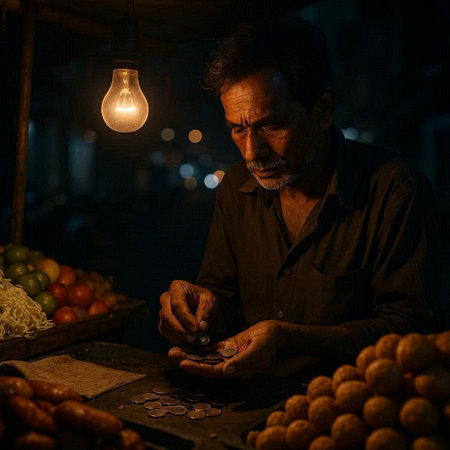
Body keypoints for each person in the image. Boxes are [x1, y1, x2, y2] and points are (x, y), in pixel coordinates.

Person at [158, 16, 441, 379]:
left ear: (322, 109)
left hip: (350, 409)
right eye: (237, 128)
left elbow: (413, 328)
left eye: (270, 125)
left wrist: (291, 338)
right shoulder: (236, 188)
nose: (250, 152)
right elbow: (222, 301)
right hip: (244, 399)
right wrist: (194, 311)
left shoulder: (394, 189)